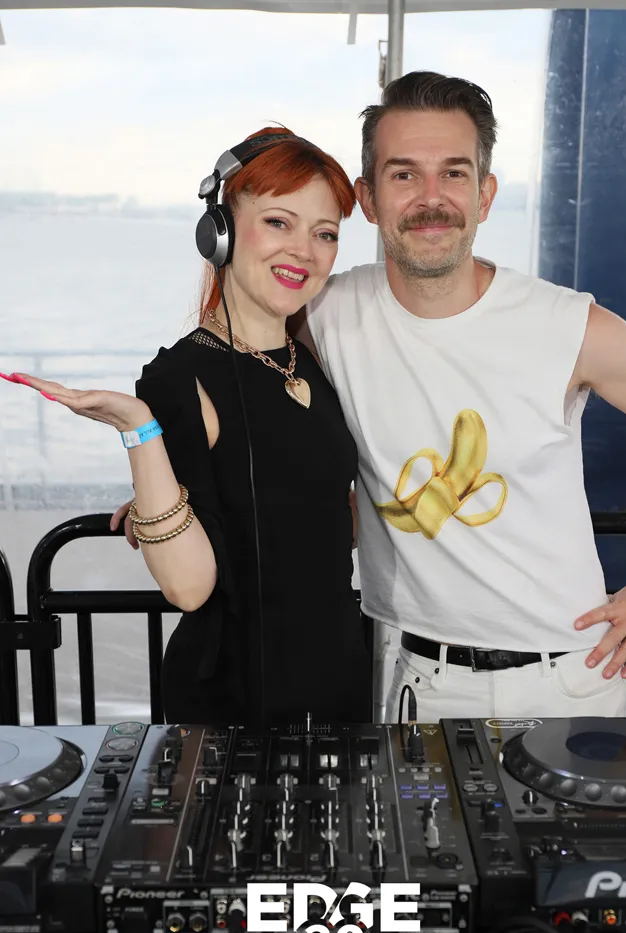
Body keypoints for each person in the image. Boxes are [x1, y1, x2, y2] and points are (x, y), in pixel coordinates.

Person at [291, 71, 626, 722]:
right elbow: (236, 365)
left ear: (485, 194)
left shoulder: (567, 326)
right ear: (368, 197)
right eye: (404, 174)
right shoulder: (326, 314)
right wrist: (181, 484)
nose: (431, 198)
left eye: (454, 173)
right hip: (411, 679)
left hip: (564, 681)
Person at [0, 127, 372, 727]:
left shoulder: (313, 358)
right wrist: (140, 431)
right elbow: (190, 588)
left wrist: (178, 507)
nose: (304, 250)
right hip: (233, 701)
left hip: (339, 681)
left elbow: (325, 520)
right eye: (278, 222)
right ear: (219, 233)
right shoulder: (179, 378)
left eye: (324, 233)